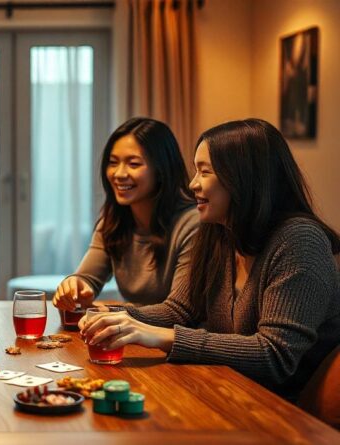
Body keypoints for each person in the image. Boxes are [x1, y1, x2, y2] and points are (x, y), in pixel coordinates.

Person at [79, 118, 340, 400]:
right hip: (230, 388)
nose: (193, 184)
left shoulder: (299, 240)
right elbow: (179, 311)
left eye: (205, 172)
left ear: (242, 178)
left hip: (282, 409)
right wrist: (114, 317)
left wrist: (160, 336)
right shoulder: (217, 231)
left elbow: (274, 356)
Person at [53, 117, 198, 309]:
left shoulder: (192, 224)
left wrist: (116, 312)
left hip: (177, 337)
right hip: (134, 333)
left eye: (134, 164)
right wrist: (75, 287)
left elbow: (179, 311)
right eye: (113, 163)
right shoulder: (114, 221)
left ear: (161, 169)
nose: (119, 173)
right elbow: (87, 279)